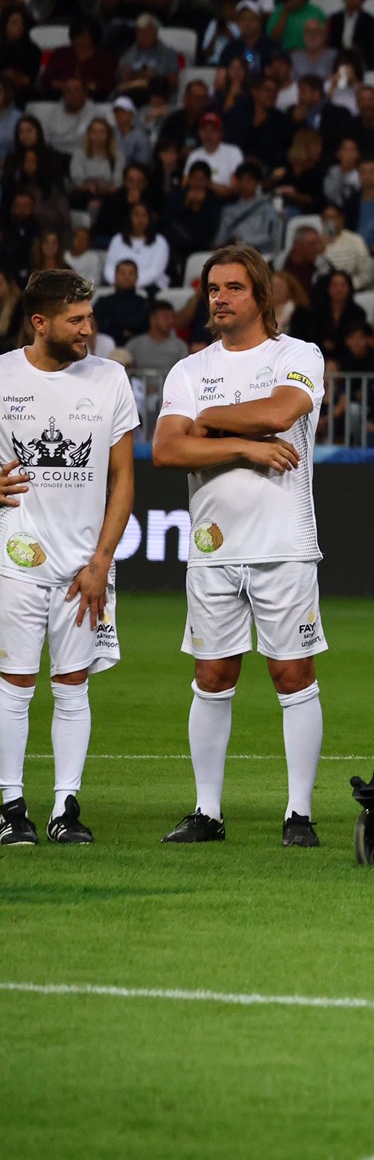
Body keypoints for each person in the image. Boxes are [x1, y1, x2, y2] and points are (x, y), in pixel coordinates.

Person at [152, 246, 329, 848]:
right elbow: (168, 450)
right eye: (212, 289)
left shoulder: (297, 355)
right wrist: (247, 445)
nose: (220, 298)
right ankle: (208, 812)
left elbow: (284, 408)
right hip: (212, 547)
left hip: (284, 542)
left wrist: (209, 421)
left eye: (232, 287)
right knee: (213, 673)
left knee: (291, 672)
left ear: (260, 294)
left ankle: (298, 814)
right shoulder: (189, 369)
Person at [0, 272, 134, 845]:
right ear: (40, 322)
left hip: (86, 565)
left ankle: (64, 809)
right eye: (76, 320)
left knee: (73, 683)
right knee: (14, 683)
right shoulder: (2, 374)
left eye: (89, 316)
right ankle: (10, 808)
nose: (88, 329)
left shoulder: (110, 379)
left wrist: (102, 561)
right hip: (17, 557)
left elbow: (124, 477)